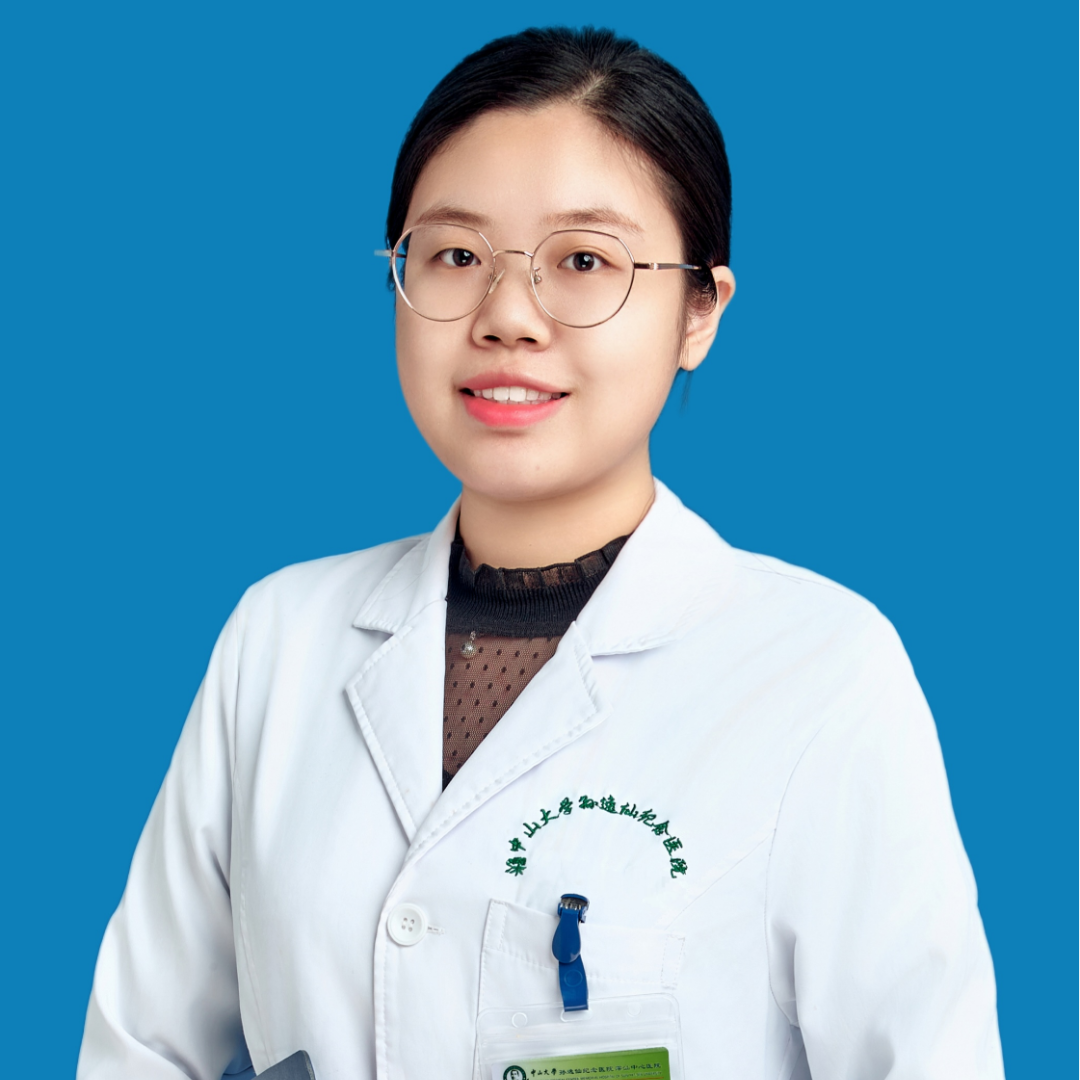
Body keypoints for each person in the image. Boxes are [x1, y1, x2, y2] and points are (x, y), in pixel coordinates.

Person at [77, 26, 1005, 1080]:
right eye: (455, 256)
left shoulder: (821, 669)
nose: (507, 317)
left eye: (584, 261)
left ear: (700, 312)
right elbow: (141, 1051)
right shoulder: (279, 640)